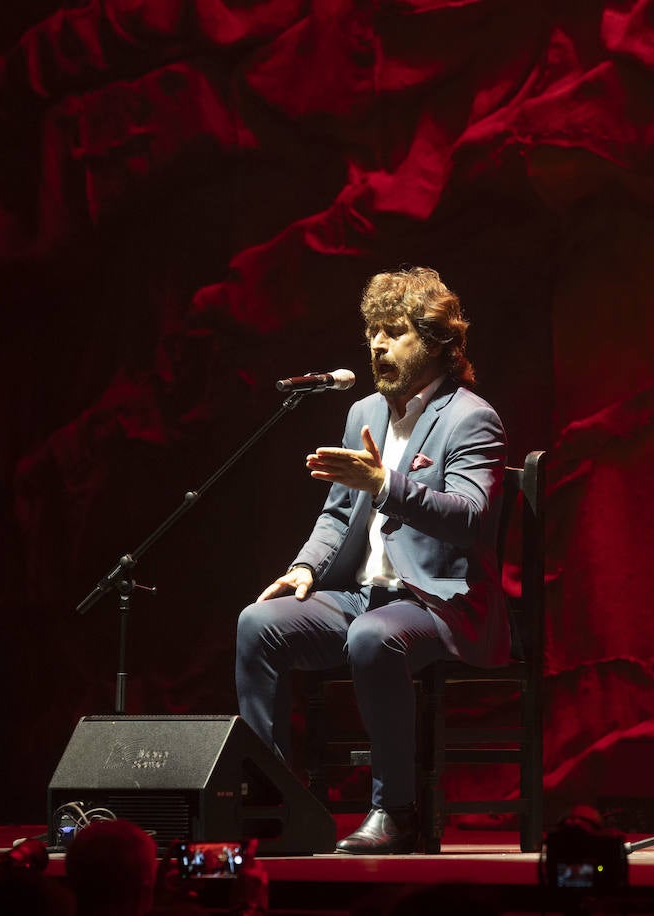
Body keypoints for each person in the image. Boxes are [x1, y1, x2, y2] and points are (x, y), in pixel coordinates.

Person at [236, 267, 509, 855]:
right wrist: (305, 568)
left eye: (393, 333)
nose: (376, 345)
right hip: (365, 597)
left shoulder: (470, 417)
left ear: (436, 343)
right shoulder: (364, 412)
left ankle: (396, 809)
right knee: (257, 625)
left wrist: (386, 484)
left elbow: (470, 518)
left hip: (439, 599)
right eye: (372, 333)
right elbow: (338, 515)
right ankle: (270, 802)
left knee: (371, 636)